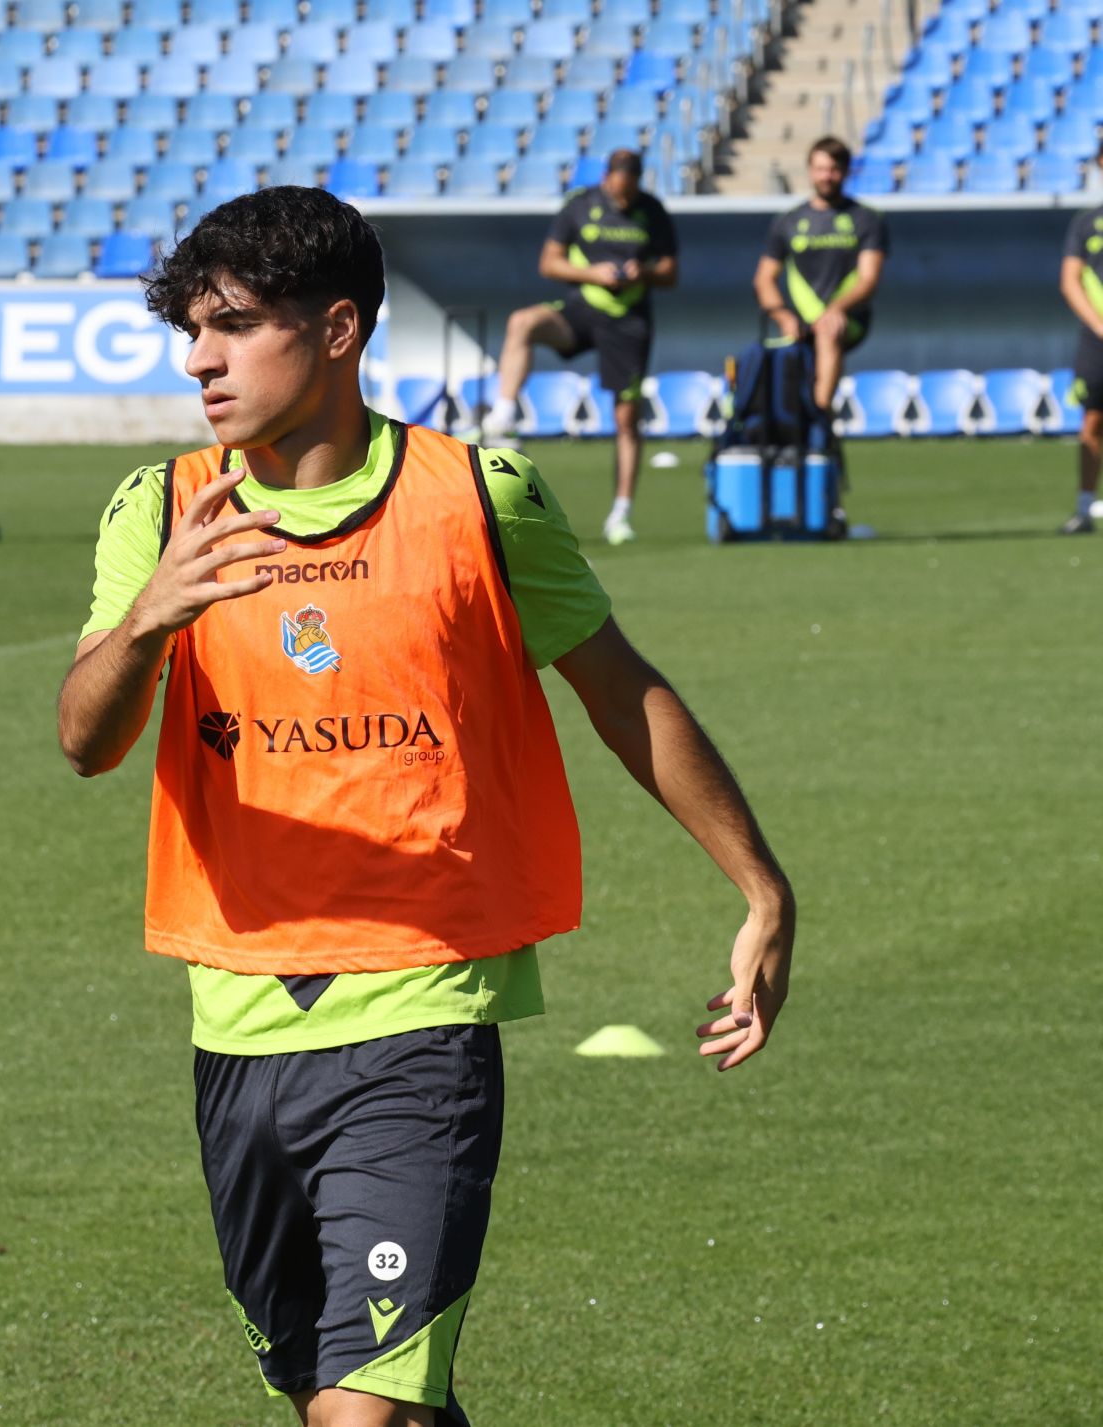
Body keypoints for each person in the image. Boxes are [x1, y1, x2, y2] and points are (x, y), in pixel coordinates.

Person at [56, 187, 795, 1427]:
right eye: (191, 328)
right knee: (355, 1395)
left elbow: (623, 693)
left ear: (338, 328)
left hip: (423, 1013)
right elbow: (87, 740)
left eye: (234, 323)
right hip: (237, 1020)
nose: (200, 358)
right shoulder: (164, 508)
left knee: (367, 1411)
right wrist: (147, 621)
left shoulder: (476, 498)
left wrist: (763, 887)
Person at [478, 150, 678, 546]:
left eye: (629, 192)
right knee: (523, 322)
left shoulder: (653, 211)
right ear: (607, 178)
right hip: (582, 307)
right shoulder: (581, 205)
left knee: (626, 419)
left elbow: (671, 272)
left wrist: (647, 271)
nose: (622, 199)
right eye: (617, 190)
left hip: (629, 320)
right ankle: (503, 415)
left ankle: (621, 512)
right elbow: (549, 263)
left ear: (638, 181)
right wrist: (593, 273)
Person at [752, 137, 889, 420]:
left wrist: (837, 309)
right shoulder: (788, 221)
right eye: (820, 169)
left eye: (833, 169)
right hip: (799, 321)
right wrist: (783, 316)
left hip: (849, 318)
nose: (827, 176)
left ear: (847, 171)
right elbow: (764, 279)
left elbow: (868, 278)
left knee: (828, 329)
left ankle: (819, 413)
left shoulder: (866, 219)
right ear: (810, 170)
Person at [1056, 149, 1103, 534]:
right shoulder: (1087, 224)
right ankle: (1084, 508)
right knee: (1092, 420)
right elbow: (1070, 279)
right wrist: (1100, 326)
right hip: (1097, 337)